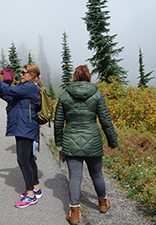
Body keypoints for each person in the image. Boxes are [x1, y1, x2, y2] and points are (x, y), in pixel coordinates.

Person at [54, 65, 118, 225]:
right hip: (93, 142)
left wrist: (59, 143)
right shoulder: (97, 95)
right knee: (97, 174)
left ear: (74, 77)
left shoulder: (64, 96)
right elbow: (105, 121)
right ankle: (103, 204)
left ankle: (74, 214)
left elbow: (58, 123)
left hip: (71, 141)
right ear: (88, 77)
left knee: (75, 177)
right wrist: (112, 142)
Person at [0, 63, 43, 208]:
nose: (21, 74)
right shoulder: (24, 88)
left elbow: (9, 90)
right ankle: (36, 188)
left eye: (24, 72)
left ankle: (30, 195)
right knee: (29, 158)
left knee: (23, 160)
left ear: (32, 75)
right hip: (22, 126)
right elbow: (9, 96)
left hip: (25, 126)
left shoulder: (31, 87)